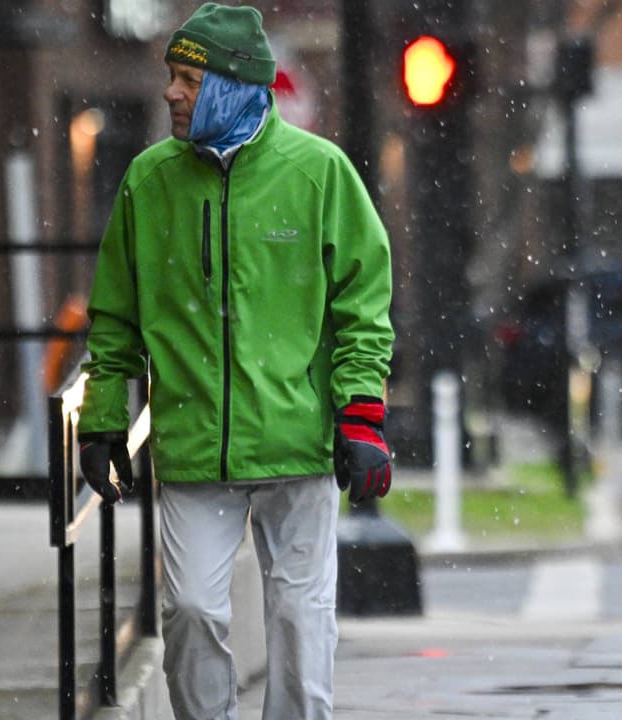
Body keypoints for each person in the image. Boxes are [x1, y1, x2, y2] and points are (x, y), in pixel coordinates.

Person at [76, 4, 394, 718]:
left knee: (298, 618)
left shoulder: (319, 173)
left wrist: (362, 415)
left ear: (235, 85)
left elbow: (363, 308)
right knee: (189, 609)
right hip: (194, 445)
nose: (171, 93)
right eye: (171, 76)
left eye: (189, 78)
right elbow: (116, 314)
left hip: (298, 442)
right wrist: (101, 423)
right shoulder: (148, 182)